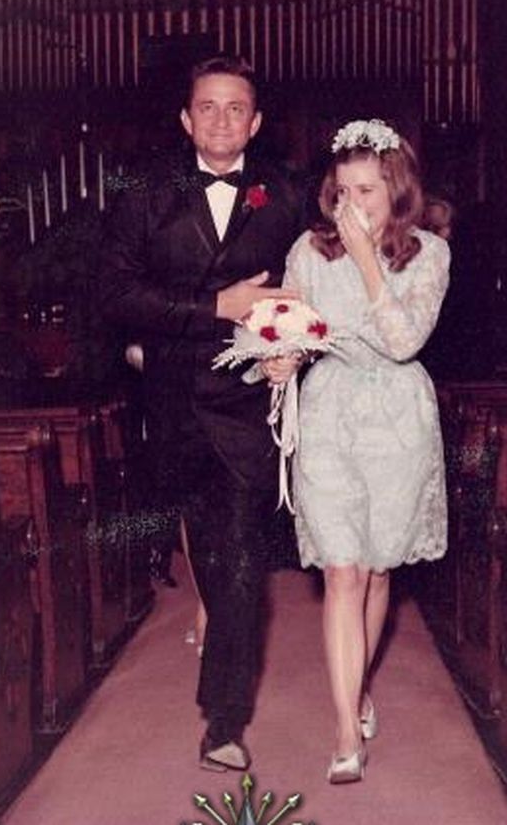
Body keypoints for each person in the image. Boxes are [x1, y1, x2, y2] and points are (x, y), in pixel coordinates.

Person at [99, 55, 304, 772]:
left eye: (235, 107)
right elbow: (116, 295)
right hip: (173, 403)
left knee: (244, 558)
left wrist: (295, 349)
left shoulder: (284, 195)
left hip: (248, 402)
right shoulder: (144, 194)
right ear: (186, 118)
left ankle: (224, 718)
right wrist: (213, 306)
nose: (221, 119)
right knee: (212, 560)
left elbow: (309, 291)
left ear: (256, 120)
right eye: (207, 107)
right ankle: (218, 652)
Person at [263, 118, 450, 784]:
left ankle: (358, 684)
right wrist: (279, 360)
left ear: (396, 189)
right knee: (342, 571)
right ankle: (346, 731)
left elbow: (402, 340)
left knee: (374, 571)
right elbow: (286, 330)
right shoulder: (309, 252)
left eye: (367, 191)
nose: (352, 207)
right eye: (342, 192)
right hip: (332, 414)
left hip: (398, 419)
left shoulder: (429, 252)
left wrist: (368, 258)